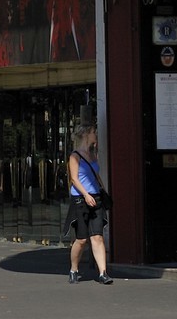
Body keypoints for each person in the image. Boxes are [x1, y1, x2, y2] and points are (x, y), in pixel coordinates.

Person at [66, 122, 113, 285]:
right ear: (86, 134)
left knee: (97, 236)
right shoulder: (75, 156)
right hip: (80, 199)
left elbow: (96, 175)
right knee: (81, 239)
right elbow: (74, 179)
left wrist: (103, 191)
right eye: (94, 132)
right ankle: (74, 269)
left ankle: (102, 273)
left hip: (96, 197)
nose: (96, 135)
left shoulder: (93, 154)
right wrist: (85, 195)